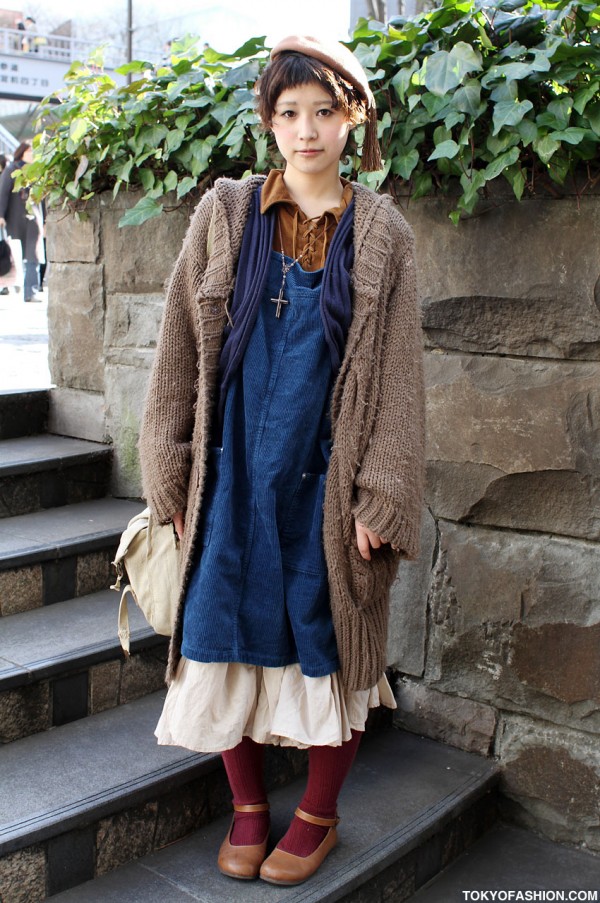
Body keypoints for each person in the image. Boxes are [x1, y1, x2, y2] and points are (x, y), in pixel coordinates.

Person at [139, 35, 425, 886]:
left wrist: (383, 493)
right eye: (289, 113)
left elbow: (402, 377)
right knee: (217, 627)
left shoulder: (382, 234)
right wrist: (170, 465)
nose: (307, 131)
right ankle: (250, 804)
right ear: (269, 121)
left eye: (325, 113)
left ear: (353, 121)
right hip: (228, 474)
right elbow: (179, 348)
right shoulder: (224, 212)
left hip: (324, 479)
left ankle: (318, 810)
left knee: (332, 636)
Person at [0, 142, 44, 302]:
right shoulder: (11, 170)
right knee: (15, 255)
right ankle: (11, 285)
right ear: (22, 153)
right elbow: (3, 193)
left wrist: (44, 221)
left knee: (34, 254)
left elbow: (42, 198)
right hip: (15, 219)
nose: (32, 154)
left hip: (33, 219)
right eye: (30, 151)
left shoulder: (36, 171)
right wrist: (1, 215)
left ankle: (30, 291)